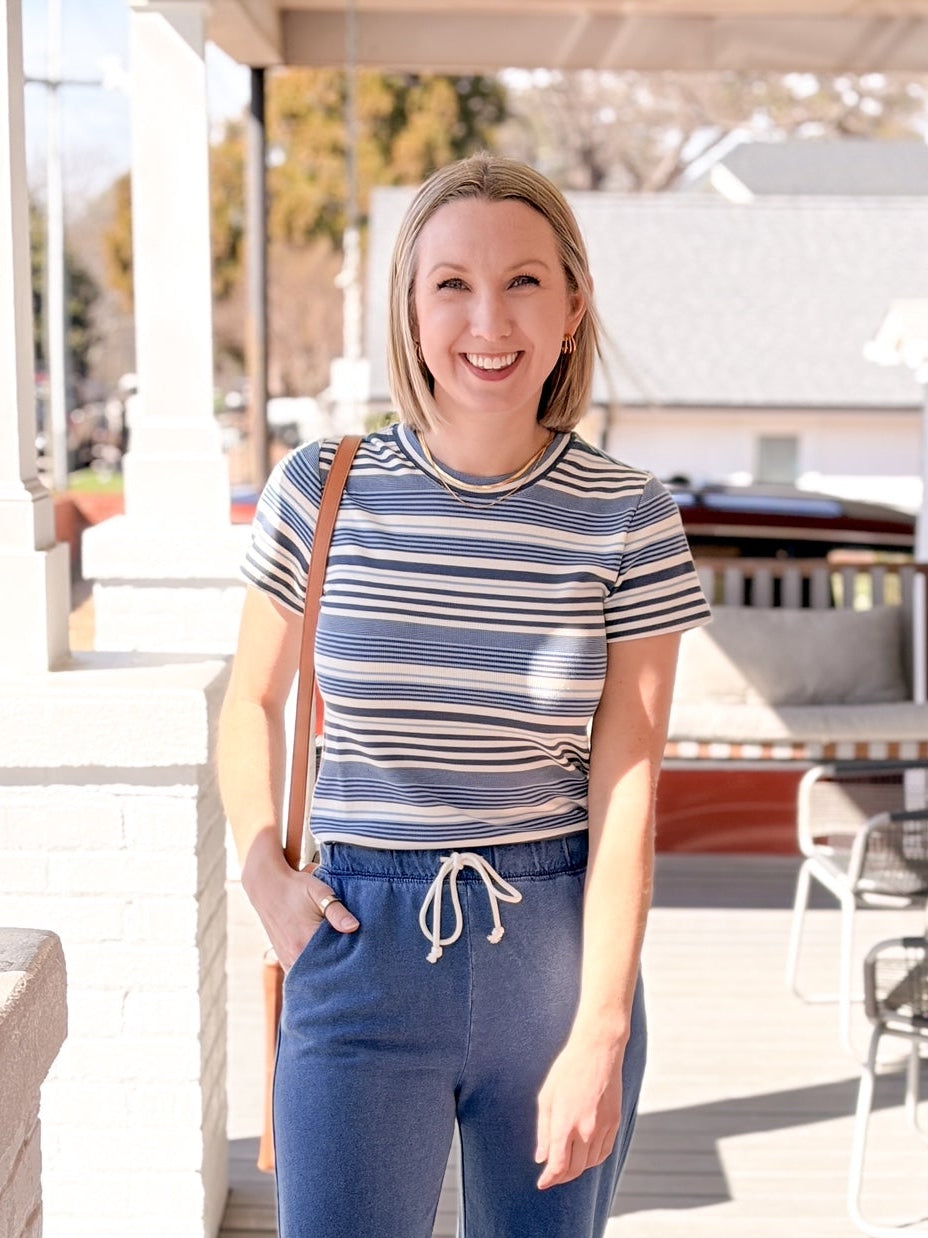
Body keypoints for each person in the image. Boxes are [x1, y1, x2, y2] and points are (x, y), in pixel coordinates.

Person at [217, 153, 711, 1238]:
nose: (489, 319)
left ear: (573, 306)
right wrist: (263, 869)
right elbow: (250, 699)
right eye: (452, 283)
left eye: (525, 281)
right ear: (409, 305)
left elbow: (628, 788)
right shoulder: (321, 488)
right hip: (352, 941)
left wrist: (602, 1027)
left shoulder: (628, 516)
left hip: (554, 954)